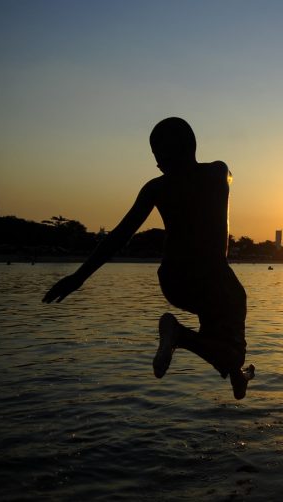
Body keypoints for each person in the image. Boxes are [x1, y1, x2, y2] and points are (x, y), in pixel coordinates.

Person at [42, 117, 254, 399]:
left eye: (158, 155)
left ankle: (236, 376)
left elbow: (119, 235)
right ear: (192, 146)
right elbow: (229, 177)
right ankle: (186, 339)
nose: (156, 163)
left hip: (173, 279)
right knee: (231, 348)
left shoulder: (156, 188)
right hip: (214, 279)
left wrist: (78, 278)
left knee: (217, 342)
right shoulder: (217, 172)